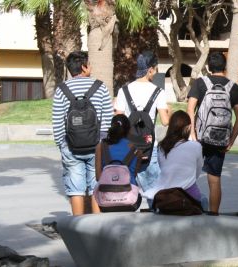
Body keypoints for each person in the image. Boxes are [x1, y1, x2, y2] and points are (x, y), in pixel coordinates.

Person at [52, 51, 113, 216]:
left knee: (75, 189)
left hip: (71, 147)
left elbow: (57, 122)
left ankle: (78, 227)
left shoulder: (61, 90)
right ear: (84, 67)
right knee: (96, 186)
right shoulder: (100, 87)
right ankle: (96, 227)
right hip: (97, 146)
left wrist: (62, 144)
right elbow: (108, 119)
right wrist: (104, 142)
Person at [187, 51, 238, 214]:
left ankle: (188, 209)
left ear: (209, 67)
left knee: (189, 176)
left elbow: (190, 109)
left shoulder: (200, 83)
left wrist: (193, 135)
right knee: (214, 179)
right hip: (220, 139)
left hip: (200, 137)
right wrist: (231, 140)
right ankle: (213, 215)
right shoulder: (234, 88)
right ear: (224, 67)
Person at [115, 50, 170, 203]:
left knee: (127, 187)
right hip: (149, 146)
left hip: (128, 146)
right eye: (156, 69)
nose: (156, 72)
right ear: (150, 69)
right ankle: (157, 214)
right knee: (154, 189)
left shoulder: (123, 91)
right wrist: (169, 111)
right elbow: (165, 121)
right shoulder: (158, 92)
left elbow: (118, 120)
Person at [143, 110, 204, 205]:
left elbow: (162, 167)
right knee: (204, 200)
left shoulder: (161, 146)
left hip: (164, 194)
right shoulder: (196, 146)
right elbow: (197, 172)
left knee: (151, 198)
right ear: (188, 128)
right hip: (188, 195)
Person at [95, 114, 140, 186]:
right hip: (128, 192)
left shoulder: (101, 146)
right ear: (129, 130)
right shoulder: (136, 149)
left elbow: (98, 177)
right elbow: (133, 176)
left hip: (106, 192)